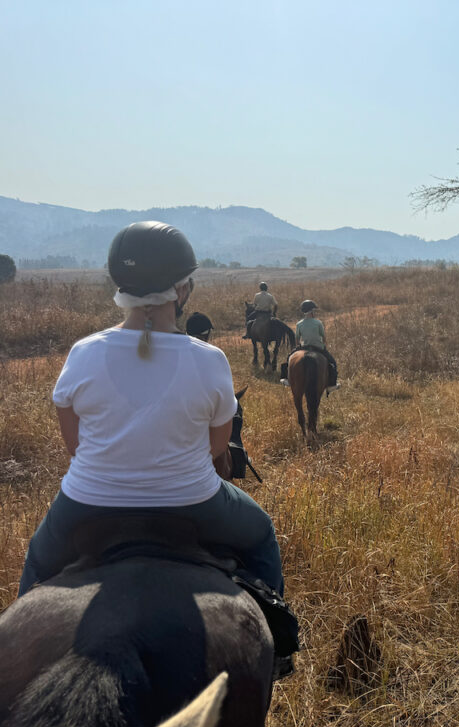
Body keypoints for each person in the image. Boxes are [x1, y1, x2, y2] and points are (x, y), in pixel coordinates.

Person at [18, 221, 295, 671]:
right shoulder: (210, 360)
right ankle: (278, 653)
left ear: (120, 286)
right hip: (193, 501)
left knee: (37, 560)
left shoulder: (83, 352)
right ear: (182, 290)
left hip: (88, 500)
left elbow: (74, 445)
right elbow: (217, 447)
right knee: (262, 533)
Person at [294, 299, 338, 391]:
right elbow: (323, 337)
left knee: (289, 358)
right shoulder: (318, 323)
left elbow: (297, 338)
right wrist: (324, 345)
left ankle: (287, 378)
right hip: (318, 347)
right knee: (333, 363)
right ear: (311, 311)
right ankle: (331, 385)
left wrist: (298, 347)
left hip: (304, 347)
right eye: (314, 310)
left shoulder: (299, 324)